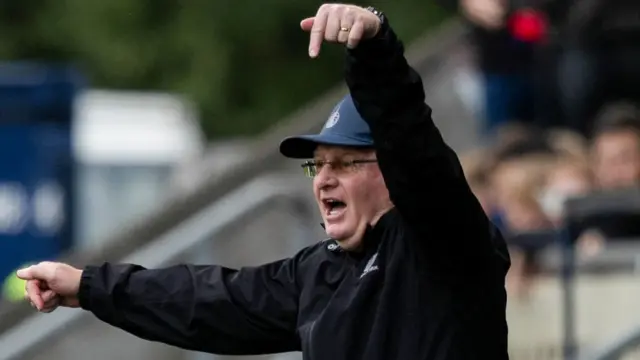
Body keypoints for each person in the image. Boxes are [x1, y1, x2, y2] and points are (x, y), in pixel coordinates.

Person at [18, 4, 511, 359]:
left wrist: (375, 46)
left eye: (344, 163)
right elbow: (210, 301)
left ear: (392, 173)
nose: (323, 180)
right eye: (318, 165)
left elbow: (415, 147)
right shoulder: (320, 272)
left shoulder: (443, 243)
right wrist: (88, 286)